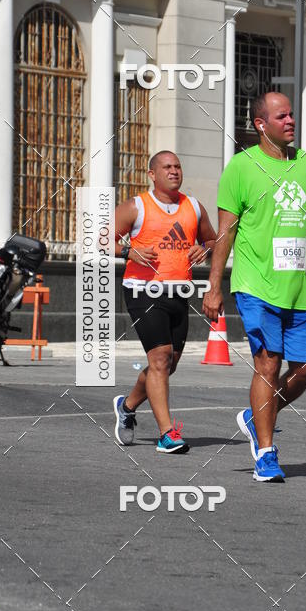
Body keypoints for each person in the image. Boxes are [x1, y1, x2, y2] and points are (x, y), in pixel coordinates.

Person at [203, 92, 306, 482]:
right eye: (281, 116)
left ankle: (257, 416)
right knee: (267, 364)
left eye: (292, 115)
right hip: (255, 284)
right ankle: (266, 454)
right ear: (260, 124)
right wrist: (213, 286)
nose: (290, 121)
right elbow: (225, 233)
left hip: (299, 288)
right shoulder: (240, 168)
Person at [113, 151, 216, 453]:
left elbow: (213, 239)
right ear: (152, 174)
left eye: (177, 166)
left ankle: (127, 406)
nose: (174, 171)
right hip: (143, 290)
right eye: (167, 167)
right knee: (159, 359)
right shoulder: (137, 206)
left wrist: (205, 249)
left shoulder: (193, 207)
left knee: (168, 364)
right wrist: (129, 252)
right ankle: (167, 433)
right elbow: (102, 239)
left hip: (179, 292)